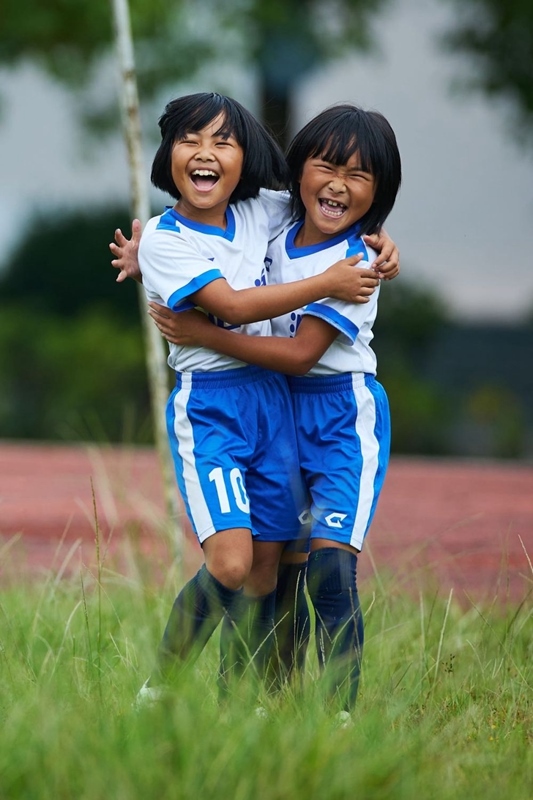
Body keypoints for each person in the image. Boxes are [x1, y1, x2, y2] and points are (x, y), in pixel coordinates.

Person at [116, 92, 397, 704]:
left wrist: (380, 238)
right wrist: (327, 281)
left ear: (246, 159)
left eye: (224, 142)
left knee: (273, 568)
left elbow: (328, 208)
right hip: (213, 407)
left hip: (278, 404)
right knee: (232, 564)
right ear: (167, 153)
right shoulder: (165, 237)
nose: (206, 153)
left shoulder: (260, 210)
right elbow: (234, 307)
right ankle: (157, 692)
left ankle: (248, 707)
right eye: (191, 140)